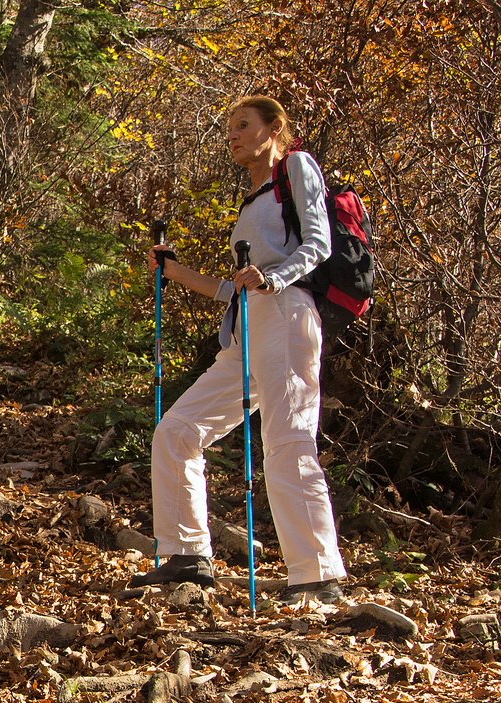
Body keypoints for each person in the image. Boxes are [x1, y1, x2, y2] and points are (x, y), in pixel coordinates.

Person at [132, 94, 347, 604]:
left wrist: (272, 278)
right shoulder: (252, 201)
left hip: (289, 319)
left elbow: (318, 245)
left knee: (288, 444)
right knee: (177, 431)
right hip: (247, 330)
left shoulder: (296, 168)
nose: (232, 134)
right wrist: (177, 274)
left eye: (243, 125)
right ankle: (186, 556)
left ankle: (317, 576)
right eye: (229, 127)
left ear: (274, 129)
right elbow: (238, 289)